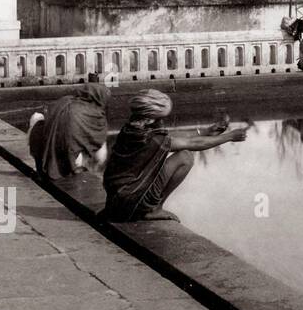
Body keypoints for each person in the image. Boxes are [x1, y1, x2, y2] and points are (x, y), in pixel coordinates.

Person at [100, 90, 247, 222]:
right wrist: (229, 136)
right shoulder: (152, 139)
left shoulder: (132, 129)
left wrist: (207, 131)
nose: (162, 122)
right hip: (130, 199)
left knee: (183, 154)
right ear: (151, 119)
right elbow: (194, 144)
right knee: (185, 158)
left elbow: (173, 137)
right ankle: (154, 208)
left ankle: (151, 207)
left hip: (117, 197)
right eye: (160, 119)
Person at [28, 83, 112, 179]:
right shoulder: (97, 115)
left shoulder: (65, 101)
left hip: (44, 154)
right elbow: (100, 157)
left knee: (37, 117)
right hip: (71, 162)